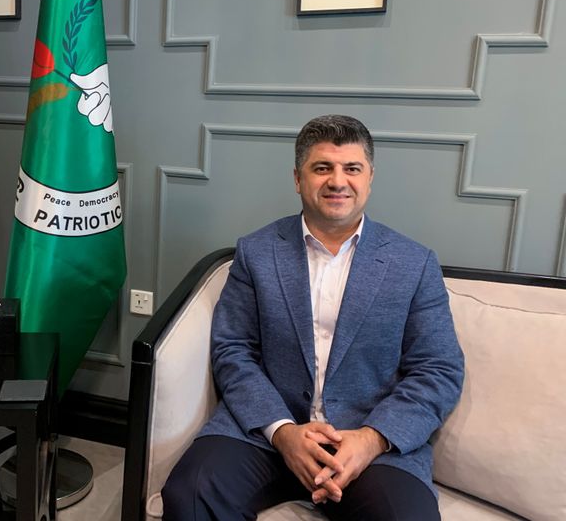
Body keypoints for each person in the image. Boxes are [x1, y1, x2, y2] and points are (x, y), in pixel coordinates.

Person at [162, 115, 464, 521]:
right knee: (191, 493)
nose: (338, 181)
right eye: (322, 168)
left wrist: (372, 439)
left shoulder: (414, 263)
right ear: (298, 178)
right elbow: (233, 350)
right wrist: (283, 432)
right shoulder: (256, 252)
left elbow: (438, 369)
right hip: (266, 435)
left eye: (351, 169)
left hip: (367, 443)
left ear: (369, 177)